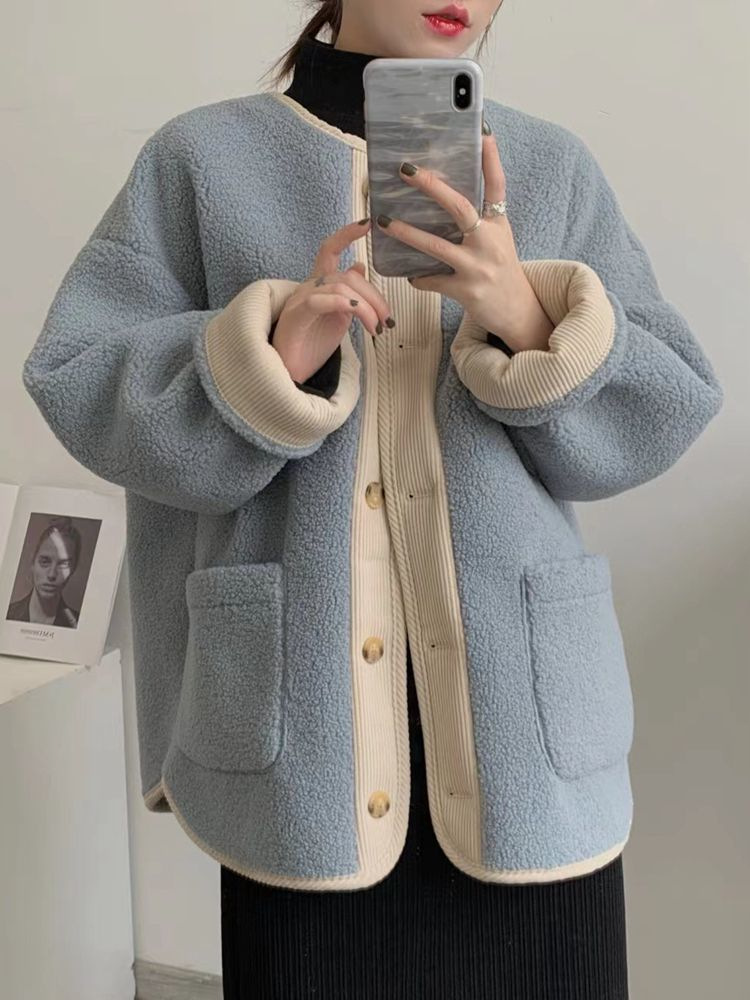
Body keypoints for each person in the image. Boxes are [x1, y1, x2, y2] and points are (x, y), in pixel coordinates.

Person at [22, 1, 724, 997]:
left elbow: (667, 404)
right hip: (302, 763)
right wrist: (270, 356)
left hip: (529, 755)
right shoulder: (201, 160)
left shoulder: (551, 167)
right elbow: (80, 379)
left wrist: (529, 320)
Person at [6, 517, 81, 628]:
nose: (52, 574)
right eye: (45, 562)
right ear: (33, 562)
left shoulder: (79, 624)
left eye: (63, 564)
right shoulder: (7, 613)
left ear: (73, 569)